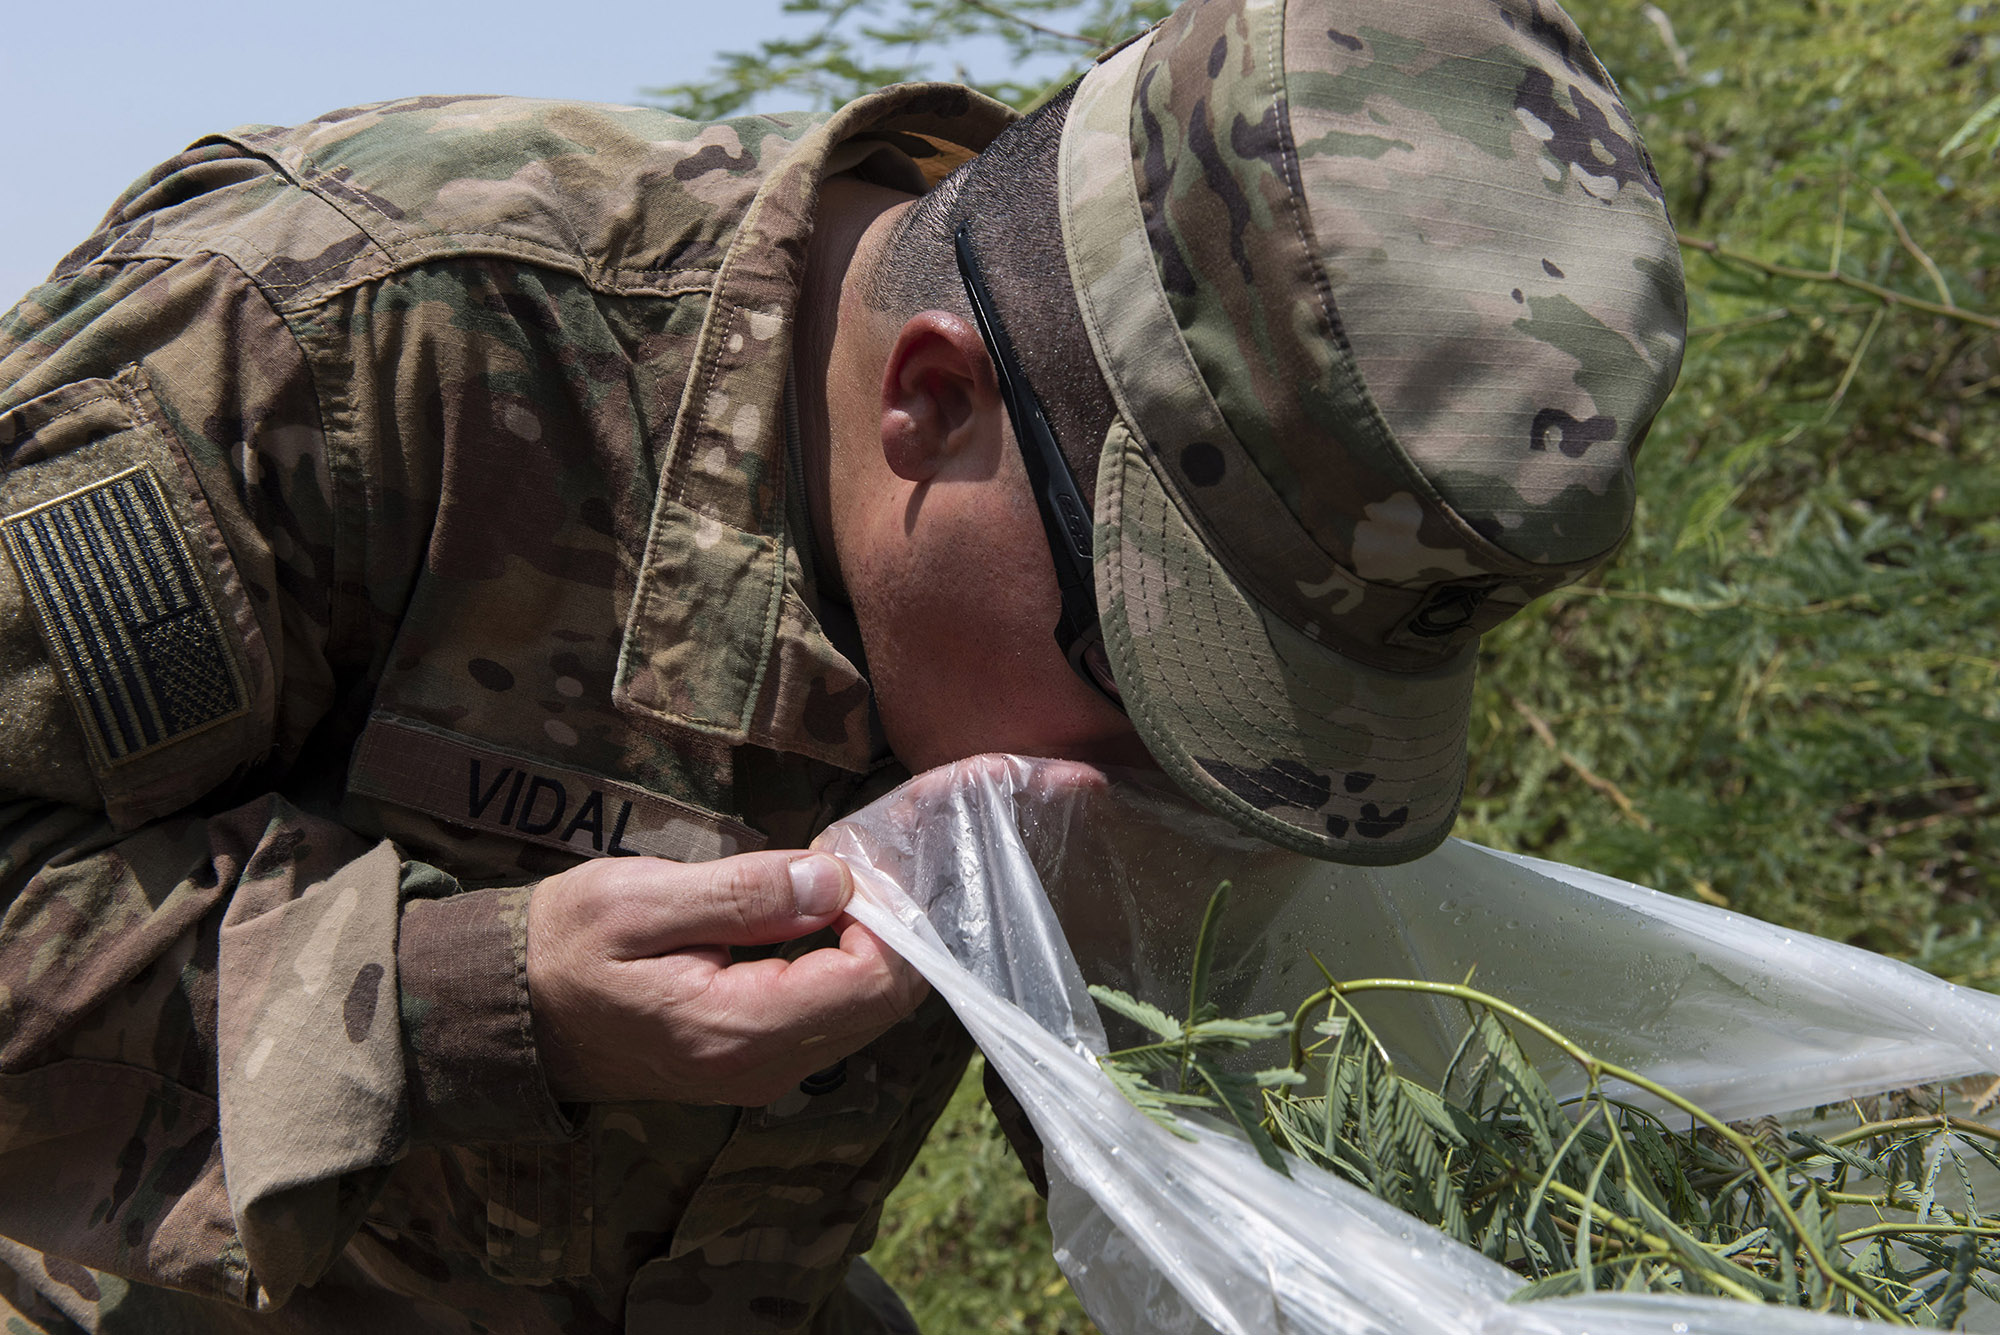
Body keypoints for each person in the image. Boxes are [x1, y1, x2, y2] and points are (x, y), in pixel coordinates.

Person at [0, 0, 1684, 1328]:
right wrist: (482, 1006)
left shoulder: (1060, 566)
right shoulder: (347, 337)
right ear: (930, 402)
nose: (1184, 786)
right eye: (1163, 671)